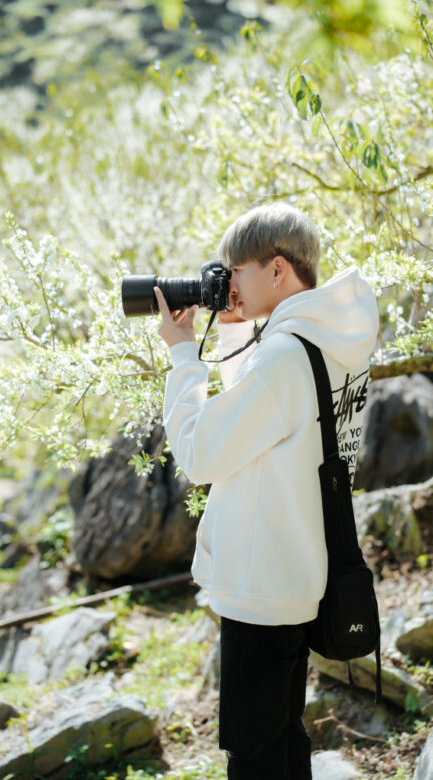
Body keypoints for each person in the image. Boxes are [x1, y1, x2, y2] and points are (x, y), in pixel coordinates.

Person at [154, 202, 379, 780]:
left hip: (260, 589)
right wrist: (235, 332)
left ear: (277, 269)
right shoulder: (329, 346)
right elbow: (272, 426)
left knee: (254, 755)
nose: (227, 285)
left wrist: (184, 355)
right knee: (282, 740)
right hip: (299, 573)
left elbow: (203, 453)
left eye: (237, 272)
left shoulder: (284, 355)